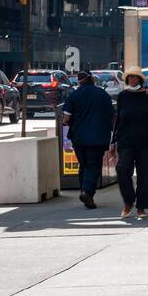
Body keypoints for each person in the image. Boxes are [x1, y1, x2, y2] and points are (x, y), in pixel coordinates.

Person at [112, 68, 148, 218]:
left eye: (135, 78)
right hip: (126, 140)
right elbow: (118, 119)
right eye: (130, 78)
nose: (132, 80)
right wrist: (113, 141)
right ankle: (129, 201)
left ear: (140, 79)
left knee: (147, 173)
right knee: (122, 169)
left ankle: (142, 206)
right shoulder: (123, 96)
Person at [61, 69, 114, 209]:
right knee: (93, 165)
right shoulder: (102, 94)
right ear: (91, 79)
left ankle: (84, 190)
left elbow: (66, 119)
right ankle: (87, 192)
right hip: (98, 136)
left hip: (78, 137)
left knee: (84, 165)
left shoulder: (74, 95)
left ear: (79, 81)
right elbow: (111, 115)